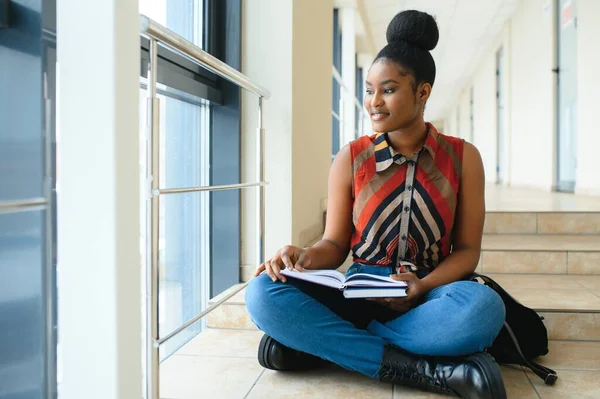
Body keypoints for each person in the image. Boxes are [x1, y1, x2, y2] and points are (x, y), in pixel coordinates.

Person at [245, 9, 506, 399]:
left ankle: (332, 346)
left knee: (483, 308)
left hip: (427, 292)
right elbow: (334, 245)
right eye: (369, 90)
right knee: (262, 293)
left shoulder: (463, 158)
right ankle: (422, 368)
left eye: (388, 89)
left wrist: (421, 286)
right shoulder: (351, 158)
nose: (374, 102)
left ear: (423, 92)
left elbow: (467, 251)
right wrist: (302, 257)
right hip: (358, 292)